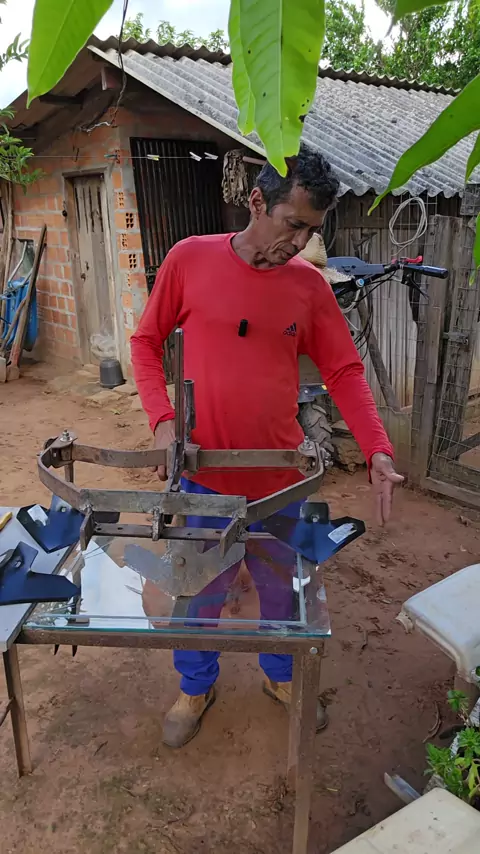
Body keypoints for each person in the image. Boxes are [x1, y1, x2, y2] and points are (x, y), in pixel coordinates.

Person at [131, 144, 403, 748]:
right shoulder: (189, 260)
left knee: (283, 588)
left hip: (281, 479)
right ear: (257, 202)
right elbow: (146, 342)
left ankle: (281, 675)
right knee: (198, 589)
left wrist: (378, 449)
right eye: (293, 224)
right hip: (201, 474)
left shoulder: (308, 286)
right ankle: (196, 685)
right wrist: (163, 423)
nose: (300, 242)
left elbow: (344, 370)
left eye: (311, 230)